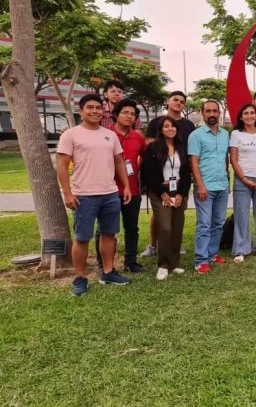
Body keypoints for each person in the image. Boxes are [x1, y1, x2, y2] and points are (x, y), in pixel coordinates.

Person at [57, 94, 132, 296]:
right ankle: (80, 278)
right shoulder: (71, 135)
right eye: (90, 107)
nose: (95, 111)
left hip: (110, 193)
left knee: (109, 235)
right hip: (84, 195)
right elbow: (62, 166)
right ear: (81, 111)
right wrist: (67, 193)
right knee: (82, 238)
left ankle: (107, 272)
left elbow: (119, 162)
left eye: (98, 107)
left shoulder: (110, 135)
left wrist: (125, 186)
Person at [142, 91, 196, 258]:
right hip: (161, 179)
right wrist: (158, 181)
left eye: (182, 101)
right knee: (160, 216)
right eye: (175, 100)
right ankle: (153, 244)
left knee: (177, 214)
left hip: (180, 175)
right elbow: (151, 152)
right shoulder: (155, 123)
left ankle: (175, 245)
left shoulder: (188, 125)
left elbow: (190, 150)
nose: (178, 103)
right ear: (168, 101)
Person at [94, 99, 146, 274]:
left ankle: (130, 261)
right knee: (104, 229)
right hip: (107, 189)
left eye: (133, 114)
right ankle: (103, 264)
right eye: (125, 112)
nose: (129, 116)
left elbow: (145, 156)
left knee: (132, 228)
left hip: (132, 189)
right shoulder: (104, 134)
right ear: (116, 114)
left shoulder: (137, 137)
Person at [140, 116, 191, 280]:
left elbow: (185, 173)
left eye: (173, 126)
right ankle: (163, 265)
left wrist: (180, 194)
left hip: (178, 192)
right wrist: (162, 192)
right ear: (161, 130)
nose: (170, 129)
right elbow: (147, 173)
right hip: (159, 192)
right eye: (166, 126)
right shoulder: (154, 147)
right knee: (166, 227)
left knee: (177, 227)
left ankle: (175, 263)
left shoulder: (181, 147)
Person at [188, 100, 230, 274]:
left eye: (215, 111)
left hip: (222, 185)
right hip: (205, 187)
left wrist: (227, 176)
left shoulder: (225, 134)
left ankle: (212, 254)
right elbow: (194, 162)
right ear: (203, 113)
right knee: (204, 224)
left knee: (218, 223)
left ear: (219, 113)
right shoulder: (196, 135)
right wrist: (200, 185)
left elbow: (225, 158)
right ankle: (201, 260)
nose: (212, 114)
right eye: (208, 111)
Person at [230, 103, 256, 262]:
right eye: (246, 113)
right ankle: (241, 249)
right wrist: (244, 179)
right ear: (241, 117)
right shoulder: (236, 134)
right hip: (243, 180)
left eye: (252, 113)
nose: (249, 116)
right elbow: (233, 160)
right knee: (242, 215)